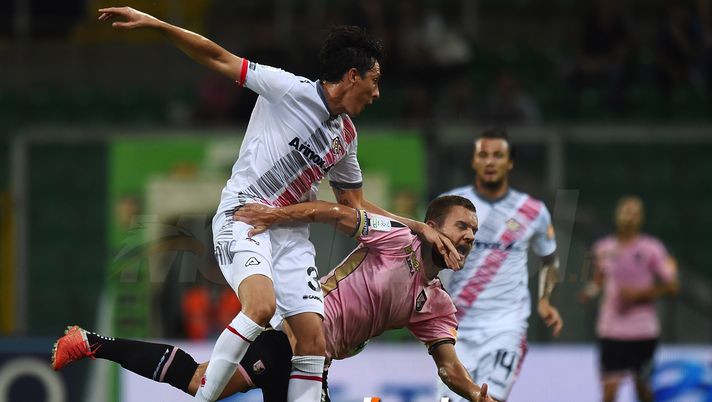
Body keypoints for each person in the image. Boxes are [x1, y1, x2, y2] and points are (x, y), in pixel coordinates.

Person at [97, 7, 460, 402]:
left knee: (312, 340)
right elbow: (219, 57)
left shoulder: (346, 137)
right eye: (373, 82)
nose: (377, 93)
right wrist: (157, 25)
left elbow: (354, 204)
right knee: (260, 308)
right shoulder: (289, 89)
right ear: (353, 76)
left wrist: (419, 226)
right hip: (245, 215)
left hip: (290, 236)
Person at [52, 196, 492, 402]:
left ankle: (90, 342)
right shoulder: (397, 239)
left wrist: (474, 393)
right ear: (434, 226)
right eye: (460, 227)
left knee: (200, 383)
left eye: (473, 232)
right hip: (298, 338)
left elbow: (448, 365)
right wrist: (277, 215)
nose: (469, 237)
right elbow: (336, 212)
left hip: (310, 358)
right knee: (202, 385)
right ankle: (92, 343)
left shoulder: (437, 304)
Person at [438, 128, 563, 402]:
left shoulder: (532, 210)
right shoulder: (450, 206)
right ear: (474, 161)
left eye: (498, 155)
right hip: (455, 328)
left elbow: (549, 258)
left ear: (510, 162)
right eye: (483, 155)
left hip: (506, 327)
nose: (490, 161)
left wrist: (544, 300)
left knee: (489, 398)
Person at [580, 196, 678, 402]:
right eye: (626, 211)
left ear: (641, 218)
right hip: (611, 330)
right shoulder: (603, 248)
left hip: (642, 332)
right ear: (617, 215)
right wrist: (589, 291)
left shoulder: (652, 248)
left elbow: (672, 285)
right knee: (609, 391)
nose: (629, 217)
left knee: (642, 390)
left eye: (634, 213)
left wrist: (641, 294)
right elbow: (599, 280)